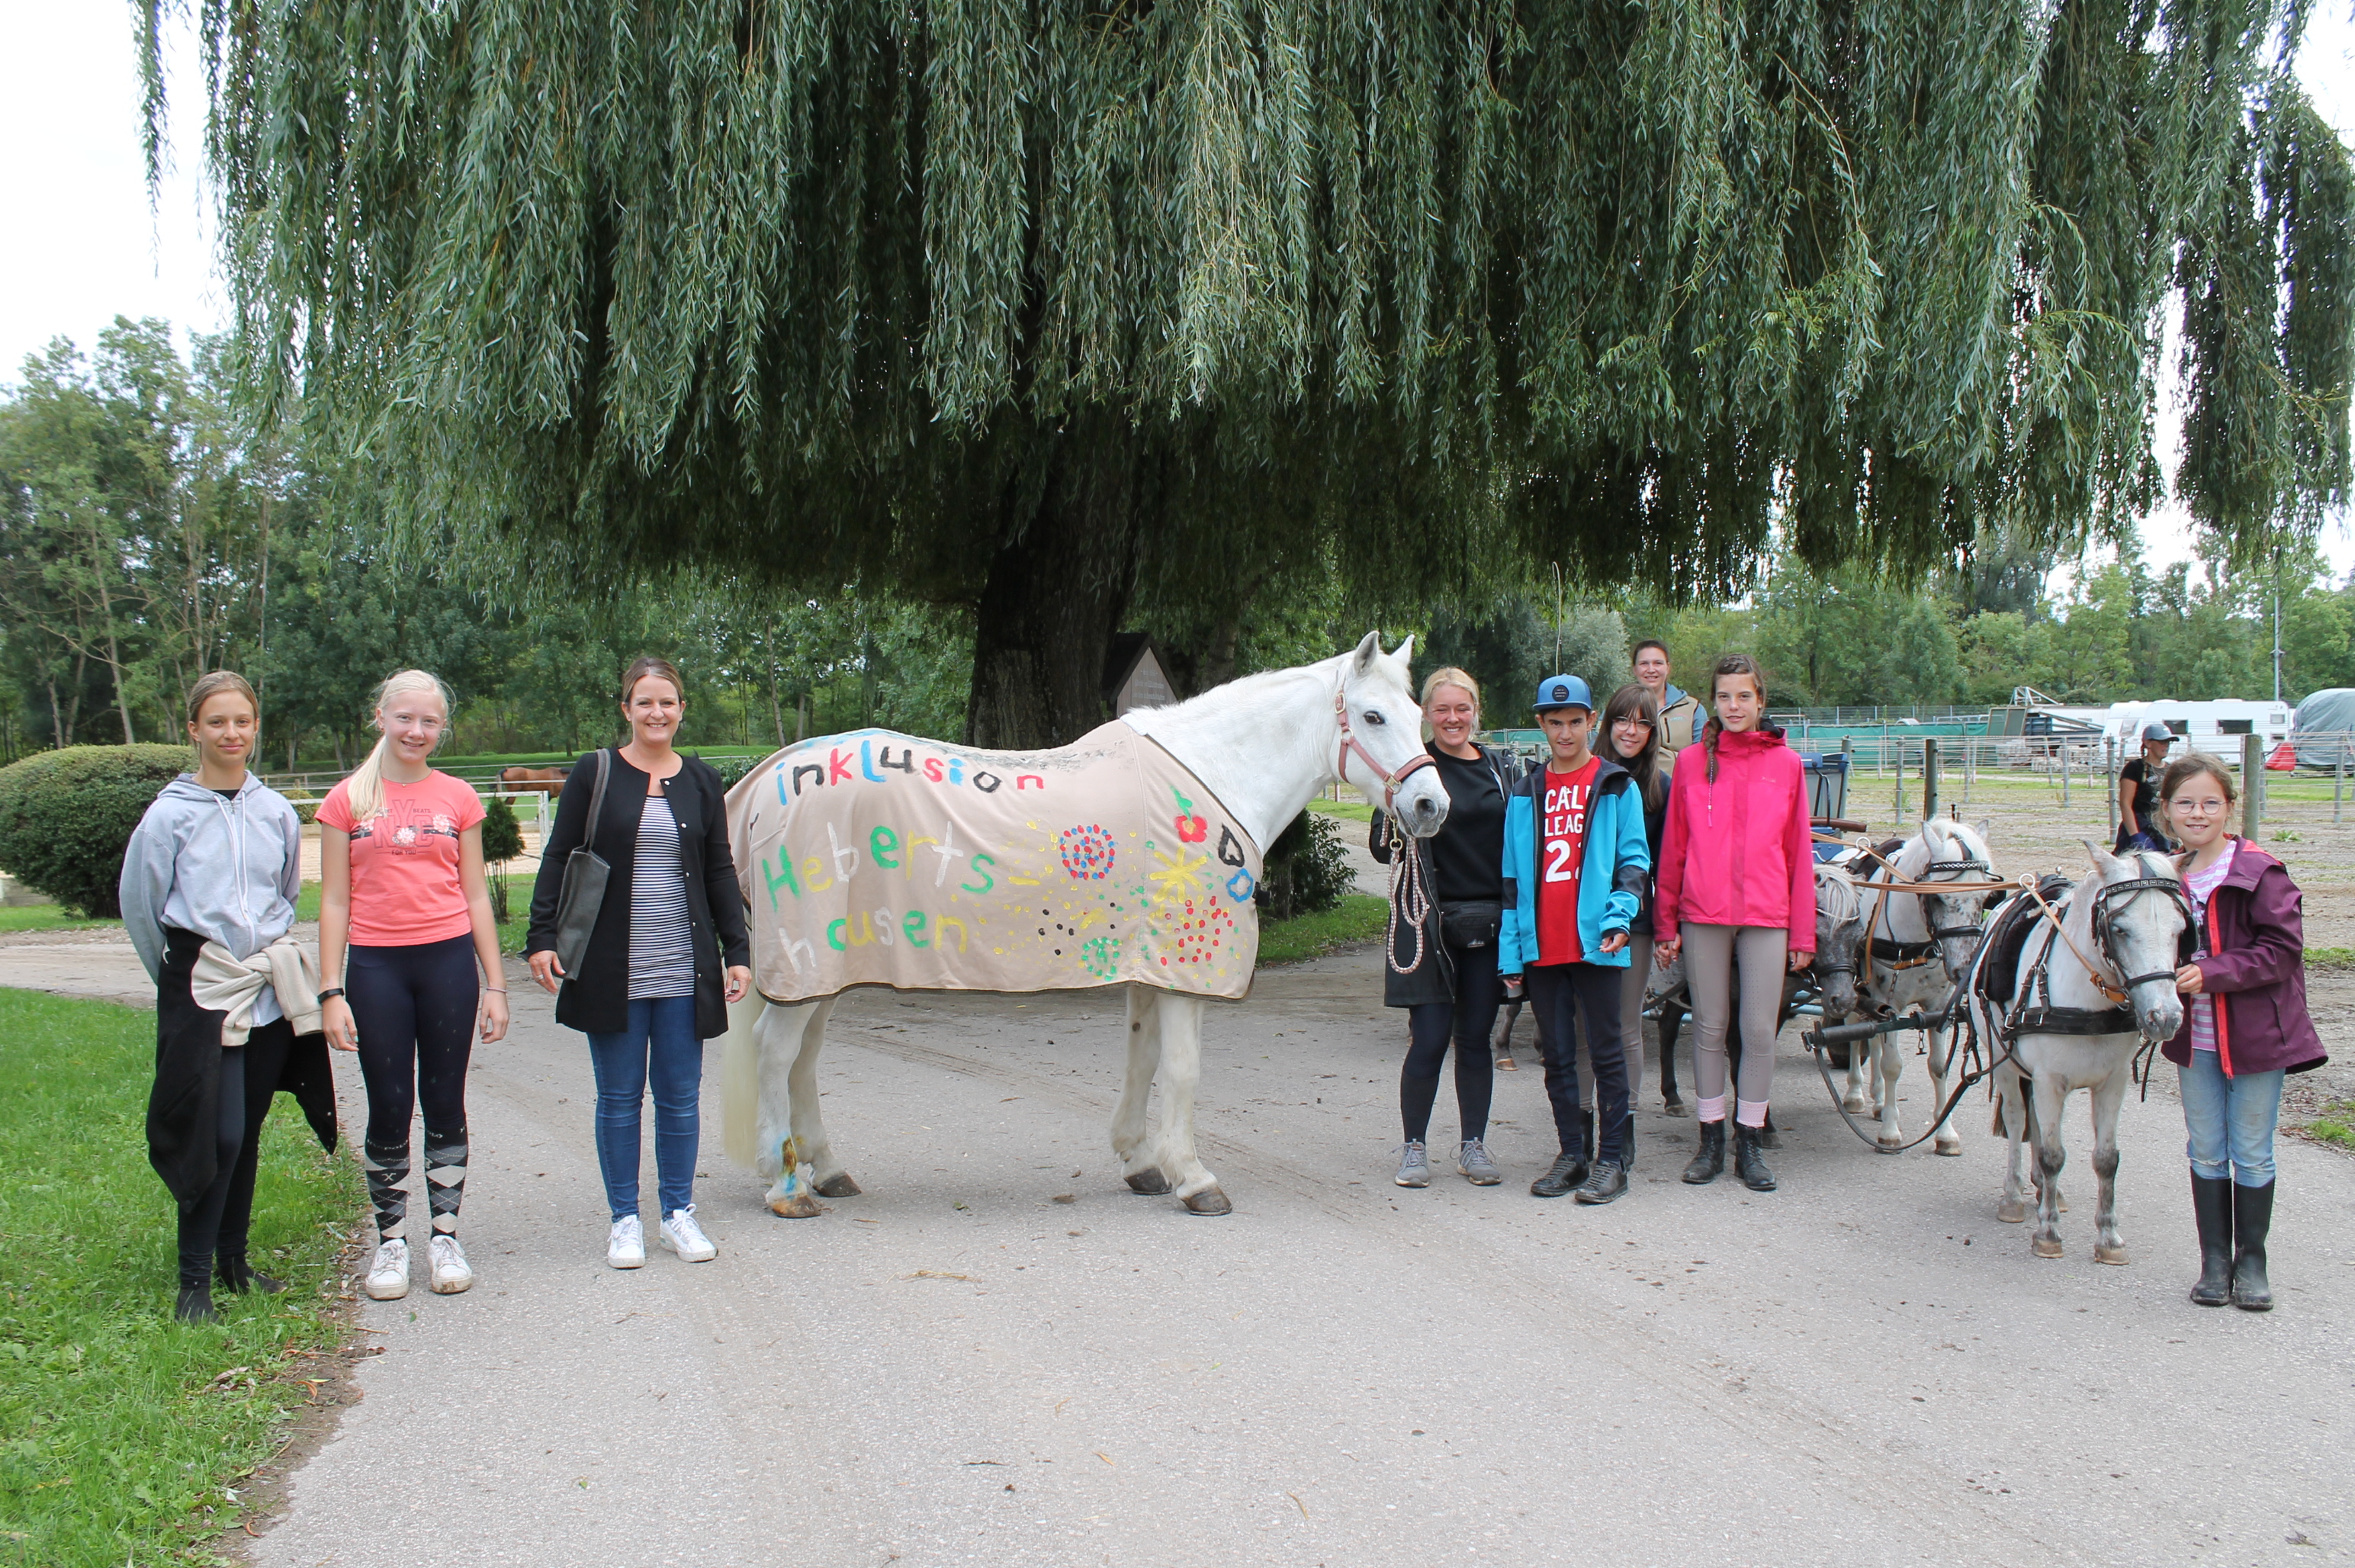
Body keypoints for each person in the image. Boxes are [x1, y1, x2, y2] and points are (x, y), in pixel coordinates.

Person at [123, 672, 336, 1322]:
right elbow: (142, 906)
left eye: (242, 720)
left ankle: (234, 1262)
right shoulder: (169, 817)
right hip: (205, 985)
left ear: (255, 726)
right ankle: (194, 1284)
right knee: (214, 1131)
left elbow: (283, 893)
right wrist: (181, 978)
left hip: (265, 985)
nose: (232, 733)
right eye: (217, 722)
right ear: (194, 730)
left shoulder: (274, 811)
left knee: (246, 1132)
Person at [527, 657, 753, 1268]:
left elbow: (718, 869)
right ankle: (624, 1219)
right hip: (610, 966)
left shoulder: (702, 780)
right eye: (645, 702)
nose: (658, 713)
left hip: (684, 964)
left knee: (680, 1096)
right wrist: (540, 936)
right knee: (620, 1096)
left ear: (682, 709)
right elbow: (558, 857)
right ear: (626, 708)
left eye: (669, 702)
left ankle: (679, 1213)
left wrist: (738, 950)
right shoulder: (595, 772)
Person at [318, 670, 510, 1301]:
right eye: (405, 719)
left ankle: (445, 1237)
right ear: (381, 717)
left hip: (447, 963)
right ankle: (392, 1243)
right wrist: (331, 990)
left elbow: (477, 894)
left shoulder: (457, 797)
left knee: (446, 1100)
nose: (417, 731)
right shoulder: (347, 800)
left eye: (429, 722)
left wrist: (496, 985)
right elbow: (335, 904)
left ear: (441, 728)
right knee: (390, 1105)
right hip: (376, 969)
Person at [2160, 754, 2326, 1312]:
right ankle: (2213, 1263)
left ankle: (2251, 1263)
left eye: (2210, 802)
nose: (2197, 813)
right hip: (2195, 1040)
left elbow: (2282, 951)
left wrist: (2214, 973)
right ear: (2166, 812)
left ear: (2230, 807)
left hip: (2256, 1038)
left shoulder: (2260, 871)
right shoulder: (2164, 876)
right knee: (2207, 1149)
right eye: (2185, 803)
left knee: (2251, 1152)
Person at [1654, 654, 1814, 1193]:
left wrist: (1804, 933)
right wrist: (1666, 922)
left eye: (1744, 696)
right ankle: (1710, 1140)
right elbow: (1675, 846)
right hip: (1703, 913)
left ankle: (1750, 1142)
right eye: (1724, 697)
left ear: (1760, 700)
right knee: (1709, 1027)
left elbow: (1799, 852)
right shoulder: (1694, 762)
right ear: (1713, 703)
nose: (1735, 705)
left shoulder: (1787, 765)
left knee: (1757, 1031)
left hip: (1768, 915)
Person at [1497, 673, 1651, 1204]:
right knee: (1557, 1054)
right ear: (1541, 725)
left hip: (1597, 944)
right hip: (1543, 945)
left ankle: (1612, 1160)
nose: (1565, 733)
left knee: (1605, 1050)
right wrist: (1512, 952)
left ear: (1592, 722)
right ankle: (1571, 1154)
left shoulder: (1615, 784)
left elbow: (1635, 862)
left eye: (1575, 722)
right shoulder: (1526, 789)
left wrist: (1618, 918)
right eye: (1554, 723)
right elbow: (1512, 878)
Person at [1370, 667, 1518, 1188]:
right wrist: (1390, 809)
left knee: (1475, 1040)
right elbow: (1378, 847)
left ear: (1476, 712)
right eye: (1442, 710)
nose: (1453, 719)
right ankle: (1414, 1148)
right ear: (1427, 715)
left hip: (1489, 925)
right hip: (1426, 922)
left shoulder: (1502, 770)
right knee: (1429, 1040)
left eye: (1462, 709)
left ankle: (1473, 1146)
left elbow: (1521, 846)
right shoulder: (1413, 769)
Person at [1572, 683, 1670, 1165]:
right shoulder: (1582, 777)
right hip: (1581, 917)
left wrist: (1665, 927)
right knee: (1583, 1026)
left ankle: (1623, 1122)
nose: (1631, 731)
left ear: (1652, 732)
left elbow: (1665, 863)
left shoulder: (1659, 788)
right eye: (1623, 720)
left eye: (1642, 723)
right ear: (1607, 724)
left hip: (1635, 920)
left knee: (1625, 1025)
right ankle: (1581, 1123)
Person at [1632, 640, 1703, 773]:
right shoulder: (1620, 706)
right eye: (1644, 664)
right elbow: (1601, 749)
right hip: (1632, 788)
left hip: (1678, 788)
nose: (1651, 670)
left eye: (1658, 663)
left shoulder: (1693, 708)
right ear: (1635, 669)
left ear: (1668, 668)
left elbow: (1703, 759)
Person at [2116, 721, 2178, 853]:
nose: (2166, 746)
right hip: (2141, 826)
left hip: (2164, 828)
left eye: (2168, 742)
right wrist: (2135, 835)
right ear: (2148, 743)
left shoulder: (2172, 770)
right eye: (2162, 742)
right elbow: (2125, 804)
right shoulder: (2135, 768)